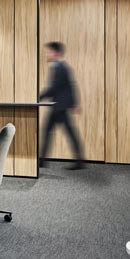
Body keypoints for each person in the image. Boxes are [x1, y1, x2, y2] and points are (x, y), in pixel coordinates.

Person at [39, 41, 85, 170]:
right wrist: (74, 103)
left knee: (57, 132)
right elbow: (70, 86)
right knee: (53, 132)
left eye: (48, 52)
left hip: (60, 107)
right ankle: (43, 161)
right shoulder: (60, 67)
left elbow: (54, 88)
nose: (47, 54)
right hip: (59, 106)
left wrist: (39, 97)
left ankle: (43, 161)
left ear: (56, 53)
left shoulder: (60, 68)